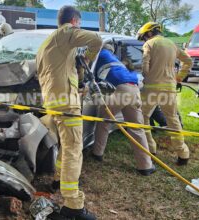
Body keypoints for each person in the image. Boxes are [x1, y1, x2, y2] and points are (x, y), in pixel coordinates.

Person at [36, 5, 102, 220]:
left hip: (53, 102)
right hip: (67, 103)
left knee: (65, 145)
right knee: (74, 148)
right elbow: (96, 40)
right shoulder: (67, 33)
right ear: (74, 21)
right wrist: (88, 59)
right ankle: (73, 205)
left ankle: (58, 179)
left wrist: (77, 68)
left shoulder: (46, 44)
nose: (79, 27)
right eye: (79, 24)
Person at [91, 43, 155, 176]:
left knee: (104, 121)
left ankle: (97, 153)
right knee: (137, 128)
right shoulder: (115, 59)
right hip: (134, 89)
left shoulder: (98, 55)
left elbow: (90, 75)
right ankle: (145, 166)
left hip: (120, 90)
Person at [137, 22, 192, 166]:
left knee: (143, 116)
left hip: (152, 87)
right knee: (172, 119)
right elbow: (188, 61)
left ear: (149, 33)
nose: (144, 40)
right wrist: (179, 77)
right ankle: (183, 153)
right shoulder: (172, 44)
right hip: (169, 87)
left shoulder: (149, 44)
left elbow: (145, 64)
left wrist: (147, 75)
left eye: (144, 37)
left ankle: (150, 148)